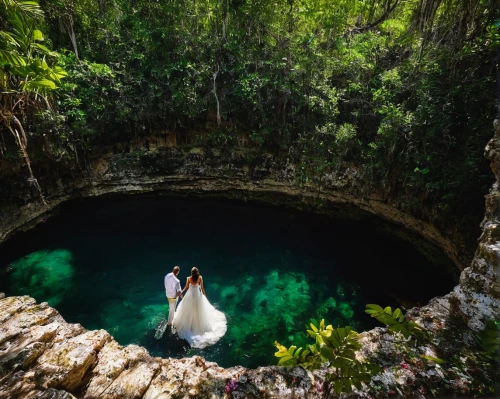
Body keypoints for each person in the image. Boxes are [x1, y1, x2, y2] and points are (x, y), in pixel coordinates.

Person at [172, 267, 227, 348]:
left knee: (188, 310)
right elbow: (202, 288)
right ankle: (197, 325)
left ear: (191, 273)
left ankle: (190, 325)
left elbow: (186, 287)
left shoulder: (189, 278)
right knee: (199, 310)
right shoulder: (200, 278)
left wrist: (181, 292)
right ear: (197, 272)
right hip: (197, 295)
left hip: (190, 296)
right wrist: (204, 295)